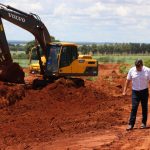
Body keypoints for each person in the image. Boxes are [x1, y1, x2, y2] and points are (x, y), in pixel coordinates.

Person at [123, 59, 150, 131]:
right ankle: (131, 124)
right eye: (137, 66)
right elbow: (127, 81)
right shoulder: (132, 70)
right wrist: (124, 91)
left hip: (144, 91)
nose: (138, 68)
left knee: (144, 107)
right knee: (134, 108)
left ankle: (143, 123)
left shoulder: (147, 70)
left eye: (139, 66)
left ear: (142, 65)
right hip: (135, 92)